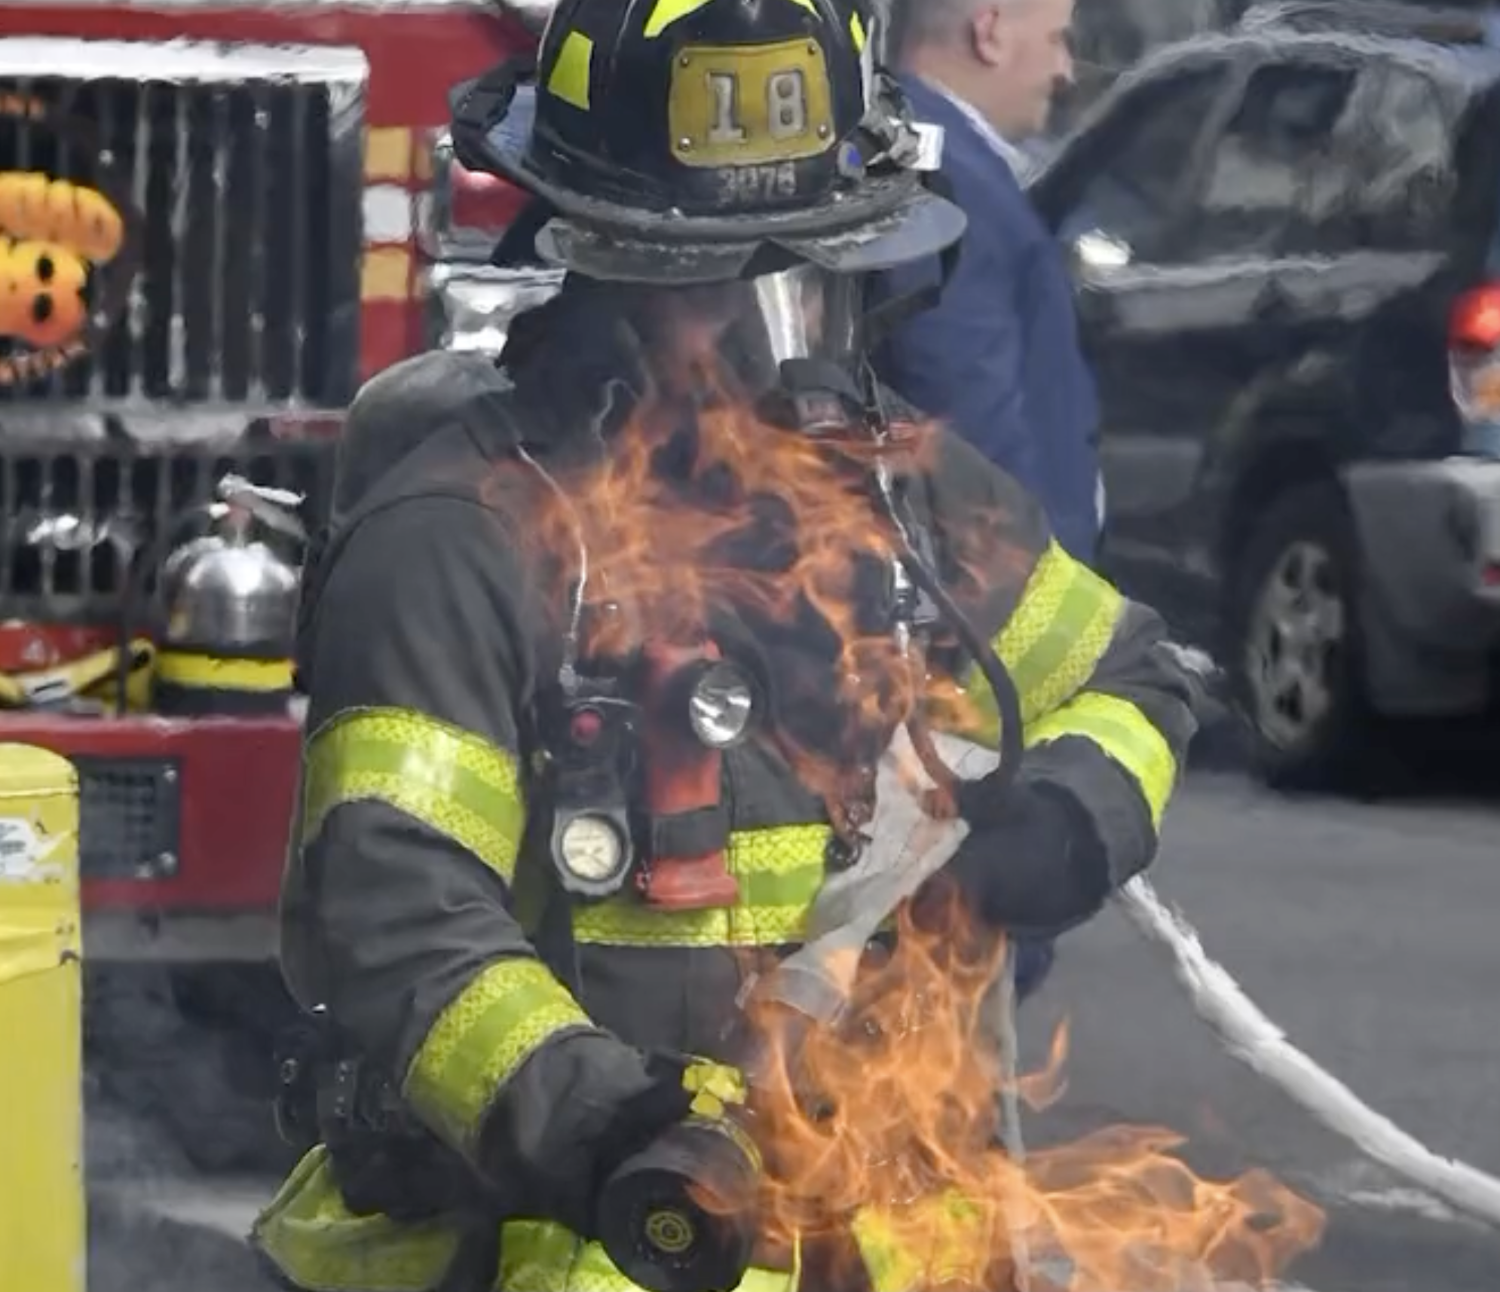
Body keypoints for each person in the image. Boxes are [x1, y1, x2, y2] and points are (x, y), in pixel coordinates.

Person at [248, 0, 1196, 1289]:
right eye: (712, 288)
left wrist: (1048, 832)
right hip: (575, 1248)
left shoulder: (905, 495)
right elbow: (399, 915)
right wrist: (620, 1124)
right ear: (603, 274)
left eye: (806, 284)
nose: (767, 351)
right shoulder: (465, 539)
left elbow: (1127, 678)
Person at [872, 0, 1104, 565]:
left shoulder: (923, 152)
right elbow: (971, 425)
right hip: (1006, 602)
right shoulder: (949, 184)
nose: (1065, 71)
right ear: (990, 32)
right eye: (1058, 40)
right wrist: (1029, 578)